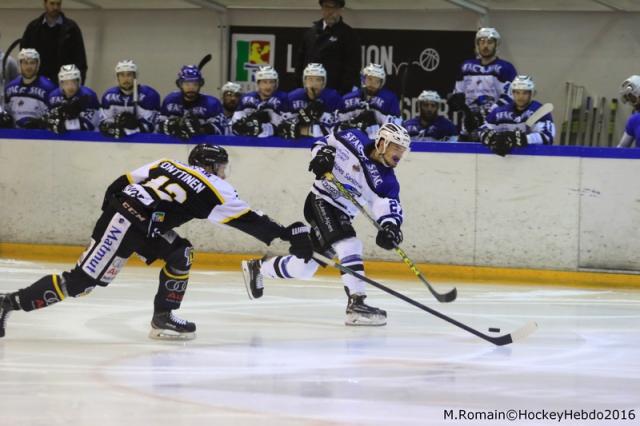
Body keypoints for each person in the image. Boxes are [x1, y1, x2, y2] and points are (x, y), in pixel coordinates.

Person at [0, 144, 314, 340]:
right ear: (210, 166)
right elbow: (250, 219)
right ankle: (7, 302)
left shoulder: (166, 164)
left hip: (132, 221)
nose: (222, 173)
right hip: (127, 225)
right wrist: (289, 235)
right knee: (80, 283)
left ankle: (163, 317)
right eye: (220, 167)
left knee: (181, 253)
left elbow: (120, 183)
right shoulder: (214, 188)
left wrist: (116, 212)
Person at [241, 123, 410, 326]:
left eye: (403, 150)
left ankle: (258, 268)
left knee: (305, 269)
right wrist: (322, 156)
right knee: (350, 244)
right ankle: (356, 303)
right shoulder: (352, 138)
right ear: (382, 143)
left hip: (342, 214)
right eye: (396, 147)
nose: (400, 154)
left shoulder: (387, 181)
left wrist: (391, 227)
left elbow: (388, 205)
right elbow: (321, 142)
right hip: (320, 201)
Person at [448, 28, 517, 140]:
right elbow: (458, 95)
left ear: (496, 45)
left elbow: (510, 96)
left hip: (495, 125)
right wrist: (465, 109)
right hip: (468, 124)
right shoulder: (466, 66)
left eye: (490, 42)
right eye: (482, 42)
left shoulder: (506, 68)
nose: (485, 46)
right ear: (477, 44)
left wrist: (489, 113)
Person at [479, 75, 555, 157]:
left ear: (531, 93)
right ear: (512, 93)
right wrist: (493, 138)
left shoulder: (540, 111)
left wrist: (518, 139)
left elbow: (547, 137)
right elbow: (482, 129)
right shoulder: (499, 112)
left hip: (533, 159)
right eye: (517, 92)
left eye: (525, 93)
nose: (520, 97)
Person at [295, 0, 360, 95]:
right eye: (327, 7)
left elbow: (353, 68)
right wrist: (301, 88)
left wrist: (342, 93)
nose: (331, 11)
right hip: (309, 91)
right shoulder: (310, 33)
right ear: (322, 8)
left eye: (334, 7)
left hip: (335, 93)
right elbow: (300, 64)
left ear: (340, 10)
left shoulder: (349, 35)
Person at [21, 0, 88, 84]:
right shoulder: (33, 27)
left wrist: (78, 85)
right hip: (38, 82)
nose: (55, 7)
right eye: (52, 3)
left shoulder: (71, 29)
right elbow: (24, 56)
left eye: (58, 4)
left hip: (64, 83)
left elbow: (80, 59)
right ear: (45, 4)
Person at [157, 65, 225, 140]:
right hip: (173, 145)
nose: (191, 88)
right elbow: (157, 126)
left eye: (195, 84)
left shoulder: (212, 104)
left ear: (200, 84)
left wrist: (201, 129)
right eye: (187, 84)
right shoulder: (170, 101)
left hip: (203, 145)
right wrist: (170, 126)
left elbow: (221, 130)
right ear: (179, 85)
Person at [338, 63, 402, 140]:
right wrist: (355, 123)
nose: (372, 84)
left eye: (377, 81)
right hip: (352, 142)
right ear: (363, 79)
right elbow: (337, 128)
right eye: (370, 79)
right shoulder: (348, 99)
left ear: (381, 83)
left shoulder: (389, 100)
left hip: (378, 144)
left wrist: (375, 126)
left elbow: (394, 132)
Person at [99, 60, 161, 139]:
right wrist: (112, 128)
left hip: (145, 142)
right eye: (122, 75)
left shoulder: (148, 95)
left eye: (129, 75)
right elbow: (104, 123)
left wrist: (127, 131)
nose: (126, 79)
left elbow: (150, 126)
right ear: (117, 77)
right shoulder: (109, 96)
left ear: (135, 77)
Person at [278, 63, 342, 139]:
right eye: (310, 79)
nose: (314, 84)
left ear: (323, 83)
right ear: (304, 81)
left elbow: (340, 129)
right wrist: (300, 118)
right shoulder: (293, 97)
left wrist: (322, 115)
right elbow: (282, 126)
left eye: (318, 80)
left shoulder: (333, 98)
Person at [4, 48, 56, 129]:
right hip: (14, 136)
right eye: (25, 63)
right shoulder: (9, 87)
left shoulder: (49, 87)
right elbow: (6, 113)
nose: (29, 66)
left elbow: (53, 116)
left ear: (37, 64)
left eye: (32, 63)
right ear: (19, 64)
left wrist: (40, 123)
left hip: (40, 136)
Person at [231, 66, 290, 138]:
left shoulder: (282, 98)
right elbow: (235, 125)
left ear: (276, 83)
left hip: (275, 144)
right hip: (248, 143)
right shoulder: (246, 98)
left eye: (271, 82)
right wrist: (245, 125)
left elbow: (285, 127)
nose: (268, 86)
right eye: (264, 82)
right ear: (258, 83)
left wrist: (264, 127)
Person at [45, 64, 100, 133]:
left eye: (73, 82)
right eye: (66, 83)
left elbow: (88, 125)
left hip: (86, 139)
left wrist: (63, 125)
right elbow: (47, 119)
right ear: (61, 83)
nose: (70, 87)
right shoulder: (53, 97)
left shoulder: (89, 96)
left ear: (79, 81)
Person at [617, 75, 640, 148]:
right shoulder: (634, 120)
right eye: (629, 100)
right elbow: (620, 149)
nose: (632, 104)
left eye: (633, 99)